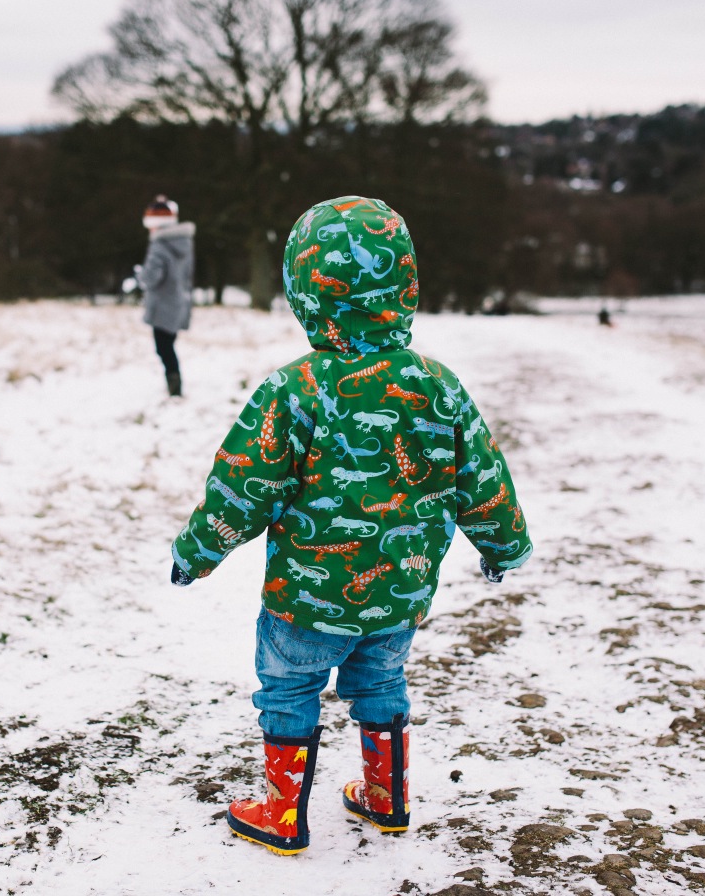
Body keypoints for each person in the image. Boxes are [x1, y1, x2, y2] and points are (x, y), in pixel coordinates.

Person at [168, 196, 532, 856]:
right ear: (405, 286)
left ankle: (283, 813)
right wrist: (502, 543)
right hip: (401, 590)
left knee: (289, 687)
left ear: (305, 290)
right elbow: (481, 475)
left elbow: (245, 484)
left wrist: (199, 550)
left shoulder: (295, 389)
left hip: (308, 596)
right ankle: (387, 798)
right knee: (382, 683)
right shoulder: (438, 386)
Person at [137, 195, 195, 396]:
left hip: (162, 306)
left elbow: (151, 277)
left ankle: (175, 388)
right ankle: (174, 386)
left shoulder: (159, 245)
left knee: (163, 349)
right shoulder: (183, 242)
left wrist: (140, 274)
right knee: (168, 346)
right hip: (178, 302)